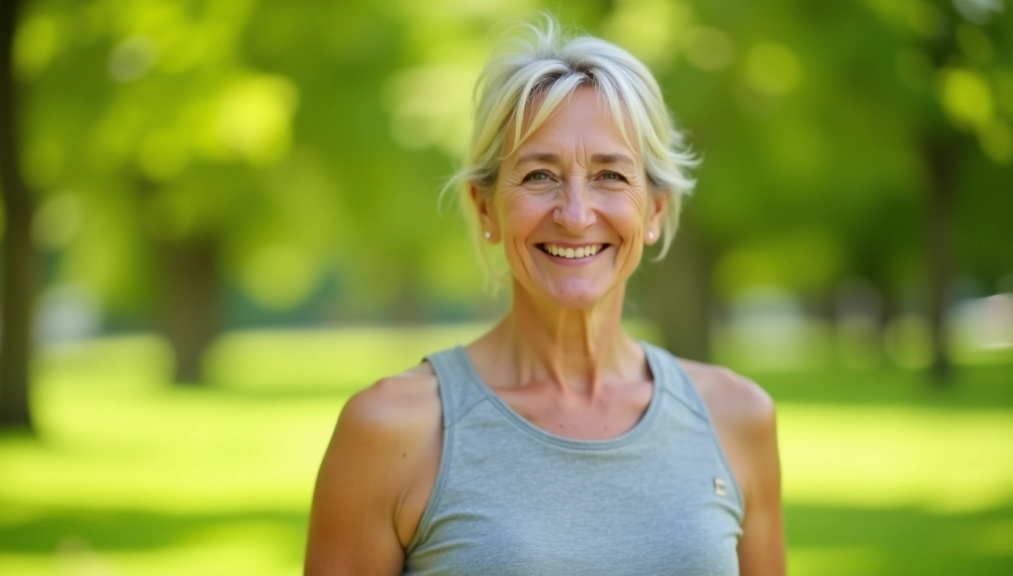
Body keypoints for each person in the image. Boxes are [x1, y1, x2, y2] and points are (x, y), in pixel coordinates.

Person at [305, 17, 785, 576]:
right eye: (539, 177)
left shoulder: (737, 418)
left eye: (610, 176)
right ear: (485, 207)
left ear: (654, 209)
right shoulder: (391, 431)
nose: (577, 215)